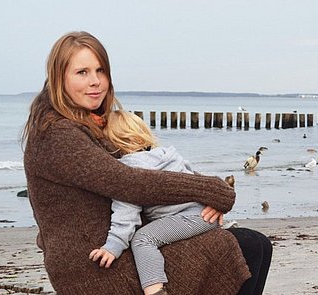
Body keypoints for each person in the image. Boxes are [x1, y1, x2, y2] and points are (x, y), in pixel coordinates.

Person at [22, 31, 272, 295]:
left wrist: (201, 201)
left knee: (254, 245)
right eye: (81, 72)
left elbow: (145, 169)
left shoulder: (83, 123)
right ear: (59, 78)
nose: (95, 81)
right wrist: (211, 189)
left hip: (119, 245)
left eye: (100, 70)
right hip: (97, 265)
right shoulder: (58, 134)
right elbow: (128, 182)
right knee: (246, 247)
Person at [90, 110, 223, 295]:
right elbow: (193, 178)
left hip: (189, 218)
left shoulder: (129, 169)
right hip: (204, 212)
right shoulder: (167, 154)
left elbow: (126, 213)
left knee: (143, 240)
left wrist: (113, 246)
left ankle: (155, 291)